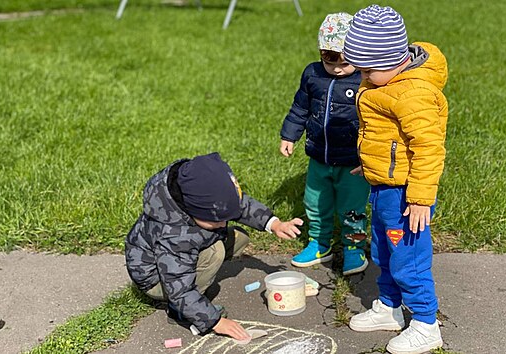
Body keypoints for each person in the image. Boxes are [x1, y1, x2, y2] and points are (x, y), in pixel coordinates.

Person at [342, 5, 448, 354]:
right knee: (383, 251)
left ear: (392, 60)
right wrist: (369, 164)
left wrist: (420, 197)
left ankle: (425, 323)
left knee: (408, 258)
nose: (365, 76)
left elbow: (428, 147)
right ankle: (389, 308)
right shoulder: (385, 81)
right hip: (383, 187)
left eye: (369, 69)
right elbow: (384, 137)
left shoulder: (412, 93)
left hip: (406, 193)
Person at [124, 153, 303, 341]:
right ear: (194, 211)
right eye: (216, 220)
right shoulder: (173, 234)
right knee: (215, 253)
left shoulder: (201, 195)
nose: (224, 223)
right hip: (158, 281)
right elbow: (178, 288)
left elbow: (239, 206)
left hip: (181, 253)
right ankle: (179, 312)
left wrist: (274, 224)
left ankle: (197, 289)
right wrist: (215, 322)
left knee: (238, 237)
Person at [279, 13, 371, 276]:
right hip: (319, 157)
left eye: (346, 61)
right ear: (321, 52)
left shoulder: (365, 80)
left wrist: (371, 154)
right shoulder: (313, 74)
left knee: (352, 209)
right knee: (316, 204)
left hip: (353, 162)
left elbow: (376, 120)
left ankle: (353, 248)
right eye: (330, 60)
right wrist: (289, 135)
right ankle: (319, 243)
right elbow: (300, 107)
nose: (338, 68)